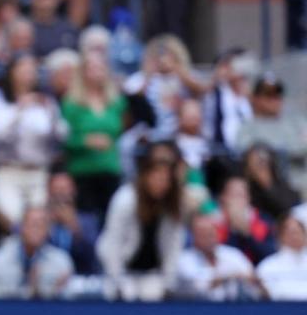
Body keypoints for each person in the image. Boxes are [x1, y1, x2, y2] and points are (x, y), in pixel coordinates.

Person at [97, 141, 190, 301]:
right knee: (126, 296)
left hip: (153, 273)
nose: (161, 183)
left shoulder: (174, 205)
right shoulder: (125, 199)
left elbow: (174, 246)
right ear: (146, 175)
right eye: (157, 176)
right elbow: (113, 242)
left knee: (154, 295)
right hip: (122, 269)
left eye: (165, 179)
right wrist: (117, 281)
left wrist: (169, 283)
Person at [0, 54, 67, 226]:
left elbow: (62, 135)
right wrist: (19, 109)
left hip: (39, 174)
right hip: (8, 173)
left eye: (31, 68)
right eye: (23, 67)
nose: (28, 72)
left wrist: (52, 116)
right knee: (15, 223)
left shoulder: (46, 102)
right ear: (11, 72)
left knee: (38, 225)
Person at [61, 52, 127, 223]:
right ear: (83, 72)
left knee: (111, 220)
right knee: (86, 222)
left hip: (110, 168)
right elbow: (63, 139)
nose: (97, 72)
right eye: (92, 67)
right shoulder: (71, 103)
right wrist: (85, 141)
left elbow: (121, 130)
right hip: (82, 172)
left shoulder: (116, 102)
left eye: (101, 67)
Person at [236, 73, 307, 198]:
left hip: (301, 179)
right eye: (269, 95)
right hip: (275, 190)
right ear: (255, 98)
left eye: (278, 95)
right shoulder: (248, 128)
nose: (275, 99)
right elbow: (249, 156)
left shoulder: (296, 121)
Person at [0, 205, 74, 299]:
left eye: (41, 224)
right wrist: (28, 292)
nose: (36, 229)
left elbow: (69, 300)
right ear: (20, 227)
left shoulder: (61, 261)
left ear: (48, 230)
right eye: (32, 224)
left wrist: (54, 293)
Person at [173, 213, 261, 301]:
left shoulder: (233, 253)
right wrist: (231, 276)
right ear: (194, 237)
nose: (208, 238)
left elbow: (253, 278)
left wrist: (226, 278)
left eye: (211, 233)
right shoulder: (184, 260)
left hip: (235, 307)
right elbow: (199, 286)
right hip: (199, 310)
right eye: (203, 234)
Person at [257, 214, 307, 301]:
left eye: (299, 232)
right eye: (292, 233)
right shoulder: (267, 266)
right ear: (281, 236)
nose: (296, 236)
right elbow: (270, 294)